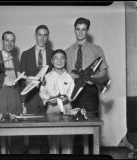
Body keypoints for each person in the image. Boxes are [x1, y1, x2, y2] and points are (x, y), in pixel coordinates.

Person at [65, 17, 109, 153]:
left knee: (91, 126)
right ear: (74, 30)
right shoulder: (67, 51)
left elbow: (104, 73)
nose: (80, 32)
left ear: (87, 31)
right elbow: (64, 75)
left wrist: (92, 78)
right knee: (74, 127)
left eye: (83, 29)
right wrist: (69, 76)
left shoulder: (96, 49)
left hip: (90, 92)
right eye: (78, 29)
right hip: (73, 92)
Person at [20, 25, 53, 153]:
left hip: (48, 97)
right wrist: (26, 79)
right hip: (31, 98)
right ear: (35, 36)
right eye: (39, 34)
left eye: (45, 35)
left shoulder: (53, 54)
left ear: (48, 37)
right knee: (32, 130)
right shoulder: (25, 54)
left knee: (48, 131)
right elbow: (21, 77)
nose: (42, 38)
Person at [39, 49, 75, 154]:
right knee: (52, 138)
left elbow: (72, 92)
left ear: (66, 60)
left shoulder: (70, 77)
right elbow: (42, 92)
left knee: (67, 138)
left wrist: (67, 98)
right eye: (56, 58)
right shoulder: (47, 77)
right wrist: (49, 99)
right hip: (52, 108)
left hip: (67, 107)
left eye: (62, 58)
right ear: (51, 61)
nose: (59, 61)